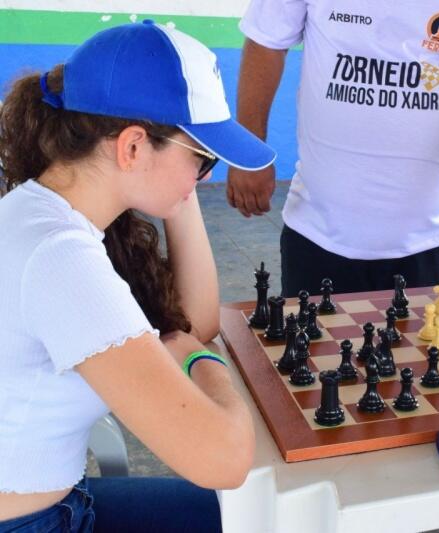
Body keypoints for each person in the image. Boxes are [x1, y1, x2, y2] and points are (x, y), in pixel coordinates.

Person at [0, 21, 276, 532]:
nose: (207, 176)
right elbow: (223, 459)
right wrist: (199, 359)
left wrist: (177, 179)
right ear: (130, 147)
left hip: (59, 501)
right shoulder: (60, 258)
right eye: (203, 156)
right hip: (34, 523)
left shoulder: (53, 211)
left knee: (264, 516)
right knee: (261, 516)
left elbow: (193, 318)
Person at [228, 0, 439, 297]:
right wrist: (248, 154)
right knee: (310, 349)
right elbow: (265, 42)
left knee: (419, 349)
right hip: (319, 226)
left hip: (434, 233)